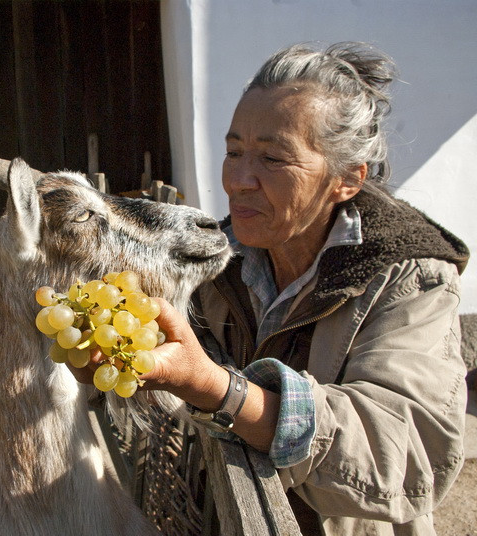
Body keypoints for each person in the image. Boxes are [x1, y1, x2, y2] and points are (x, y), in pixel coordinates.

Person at [69, 42, 470, 534]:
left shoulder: (409, 280)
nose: (238, 180)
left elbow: (407, 457)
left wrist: (219, 389)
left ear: (347, 179)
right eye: (233, 151)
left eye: (274, 159)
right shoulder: (221, 264)